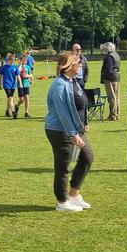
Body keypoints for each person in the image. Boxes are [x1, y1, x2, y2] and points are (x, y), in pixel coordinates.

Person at [45, 51, 93, 212]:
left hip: (76, 128)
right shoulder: (59, 84)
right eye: (78, 62)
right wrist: (73, 135)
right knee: (63, 166)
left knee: (87, 157)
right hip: (59, 130)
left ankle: (74, 195)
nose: (80, 65)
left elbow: (82, 103)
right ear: (70, 65)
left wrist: (84, 123)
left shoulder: (73, 81)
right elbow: (63, 113)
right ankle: (62, 201)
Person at [100, 42, 121, 121]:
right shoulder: (116, 55)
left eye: (104, 48)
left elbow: (108, 69)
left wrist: (105, 78)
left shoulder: (109, 57)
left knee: (111, 97)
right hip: (117, 77)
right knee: (117, 97)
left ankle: (112, 115)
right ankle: (117, 114)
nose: (104, 50)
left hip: (110, 78)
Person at [0, 53, 21, 119]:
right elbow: (0, 75)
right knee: (10, 98)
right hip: (6, 85)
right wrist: (0, 84)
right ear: (9, 60)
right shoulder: (4, 67)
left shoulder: (15, 67)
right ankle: (13, 112)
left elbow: (18, 76)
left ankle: (7, 111)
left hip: (13, 85)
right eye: (12, 60)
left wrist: (20, 83)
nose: (13, 61)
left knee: (9, 98)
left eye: (14, 60)